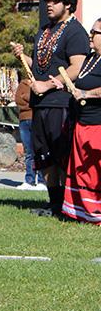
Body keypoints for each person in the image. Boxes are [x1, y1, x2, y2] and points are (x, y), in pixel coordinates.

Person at [10, 0, 88, 216]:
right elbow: (41, 66)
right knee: (43, 155)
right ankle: (53, 203)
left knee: (60, 153)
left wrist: (50, 83)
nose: (49, 5)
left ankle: (66, 204)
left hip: (60, 102)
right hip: (39, 103)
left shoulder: (75, 32)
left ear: (68, 4)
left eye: (54, 1)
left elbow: (77, 66)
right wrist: (23, 56)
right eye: (47, 1)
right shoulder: (44, 31)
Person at [60, 18, 101, 223]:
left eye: (95, 32)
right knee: (83, 169)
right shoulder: (90, 59)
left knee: (97, 169)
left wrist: (86, 93)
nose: (90, 36)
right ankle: (85, 212)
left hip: (99, 125)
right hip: (82, 122)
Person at [14, 78, 46, 191]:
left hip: (38, 119)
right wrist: (32, 100)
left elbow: (41, 100)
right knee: (29, 152)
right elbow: (18, 100)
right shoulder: (23, 84)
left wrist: (27, 98)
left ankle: (42, 181)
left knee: (41, 151)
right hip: (24, 121)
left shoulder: (42, 83)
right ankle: (29, 180)